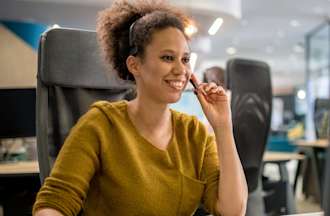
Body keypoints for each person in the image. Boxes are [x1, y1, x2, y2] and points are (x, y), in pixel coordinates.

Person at [33, 0, 247, 215]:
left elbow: (232, 211)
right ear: (134, 65)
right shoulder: (100, 124)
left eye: (185, 59)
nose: (181, 69)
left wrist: (223, 126)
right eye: (167, 58)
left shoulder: (194, 134)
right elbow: (54, 204)